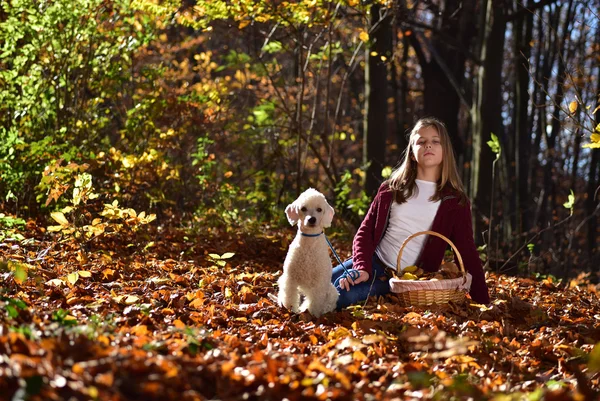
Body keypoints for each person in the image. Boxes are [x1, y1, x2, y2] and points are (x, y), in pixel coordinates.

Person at [331, 117, 491, 308]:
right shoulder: (391, 189)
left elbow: (467, 253)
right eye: (421, 141)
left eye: (435, 141)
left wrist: (483, 302)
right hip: (371, 261)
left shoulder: (455, 202)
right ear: (413, 153)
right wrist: (362, 268)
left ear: (445, 151)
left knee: (339, 296)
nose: (428, 145)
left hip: (400, 280)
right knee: (314, 286)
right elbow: (365, 233)